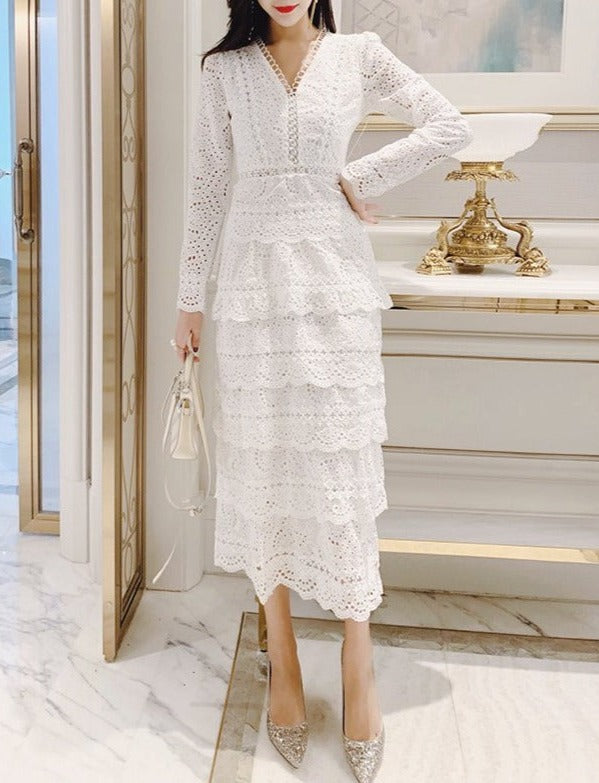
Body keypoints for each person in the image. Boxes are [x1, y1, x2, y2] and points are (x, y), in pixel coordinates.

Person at [172, 1, 473, 780]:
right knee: (262, 464)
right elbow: (207, 184)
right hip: (250, 285)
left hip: (335, 282)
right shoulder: (223, 70)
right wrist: (188, 299)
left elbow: (447, 124)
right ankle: (282, 654)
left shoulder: (358, 54)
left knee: (337, 469)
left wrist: (355, 177)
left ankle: (356, 656)